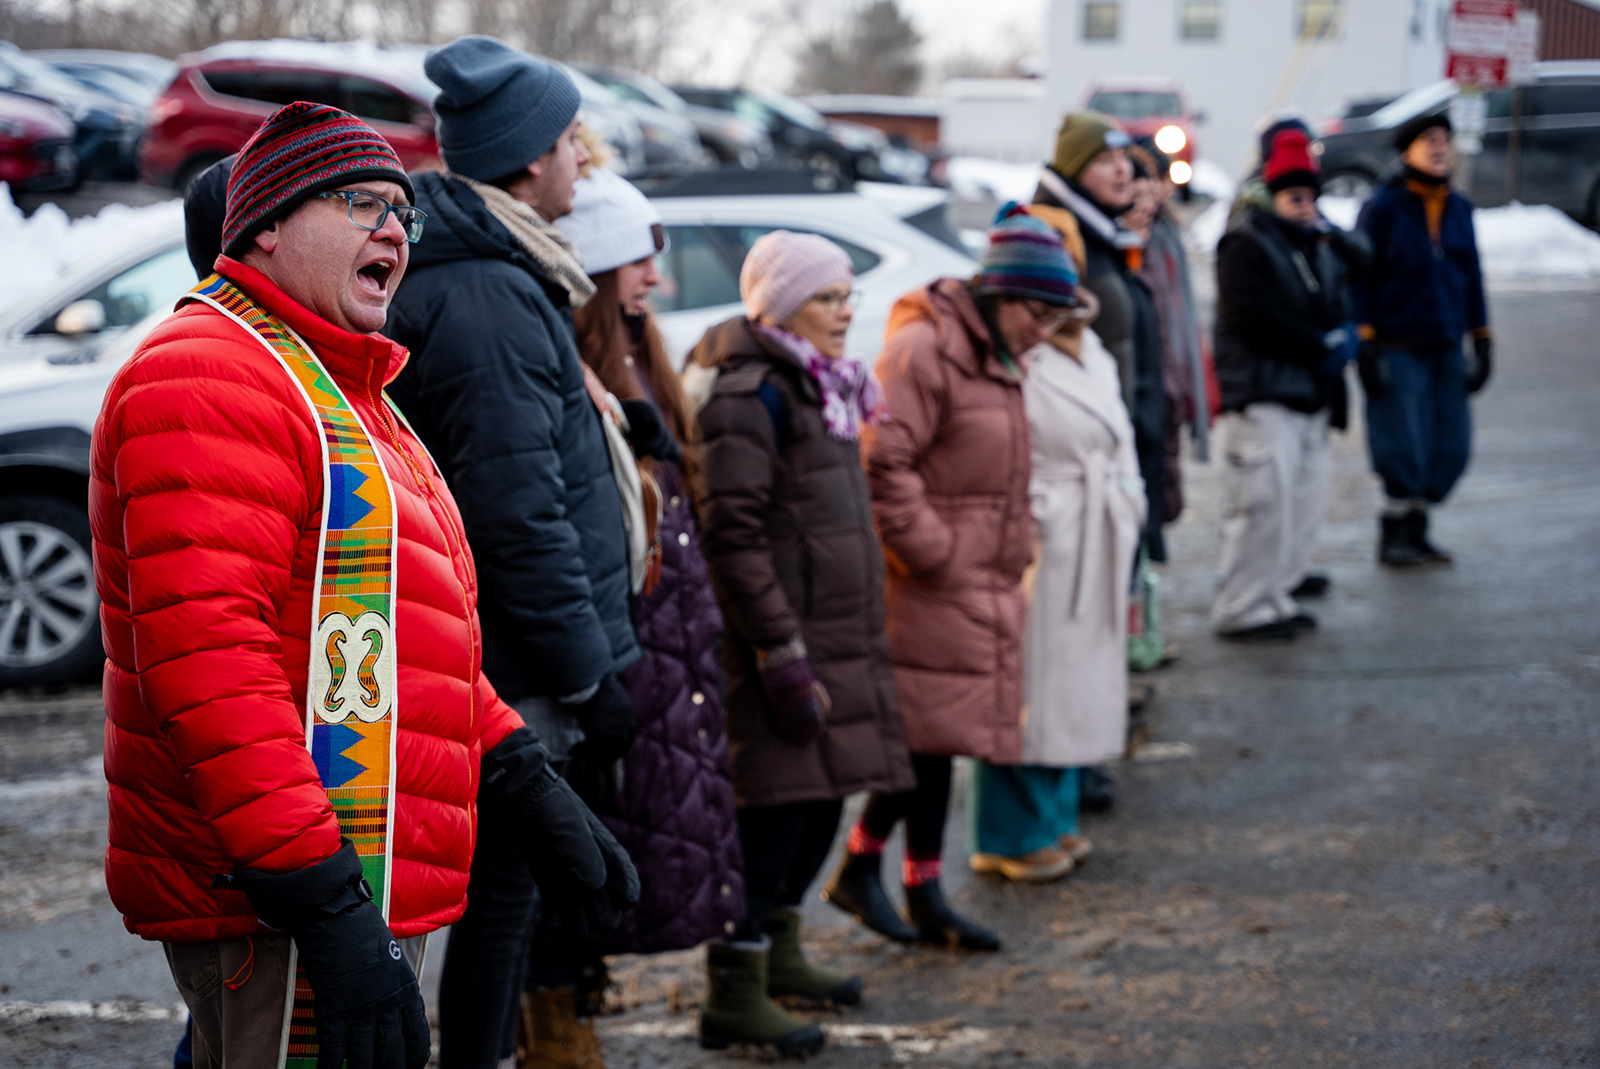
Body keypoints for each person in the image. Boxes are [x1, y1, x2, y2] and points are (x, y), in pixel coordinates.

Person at [93, 100, 629, 1069]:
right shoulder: (210, 374)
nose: (394, 228)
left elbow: (402, 640)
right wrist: (325, 899)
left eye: (402, 212)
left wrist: (520, 777)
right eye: (360, 202)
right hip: (280, 889)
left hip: (357, 864)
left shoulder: (347, 388)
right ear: (263, 224)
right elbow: (211, 670)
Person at [381, 36, 644, 1069]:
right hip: (519, 666)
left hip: (518, 656)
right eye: (572, 140)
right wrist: (588, 673)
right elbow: (517, 511)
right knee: (503, 899)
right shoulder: (488, 294)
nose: (584, 159)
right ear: (530, 158)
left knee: (508, 895)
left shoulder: (502, 269)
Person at [505, 166, 744, 1065]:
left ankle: (571, 1003)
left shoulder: (645, 360)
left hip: (658, 641)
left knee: (618, 842)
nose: (657, 277)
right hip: (602, 646)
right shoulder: (578, 370)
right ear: (601, 264)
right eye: (642, 256)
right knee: (573, 847)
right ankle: (549, 1017)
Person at [689, 229, 916, 1056]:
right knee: (775, 816)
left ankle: (781, 951)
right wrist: (779, 649)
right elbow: (733, 533)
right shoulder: (752, 393)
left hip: (838, 638)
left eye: (849, 295)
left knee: (823, 799)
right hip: (780, 648)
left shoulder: (825, 385)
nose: (846, 312)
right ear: (783, 305)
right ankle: (733, 986)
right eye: (827, 297)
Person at [831, 205, 1075, 915]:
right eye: (1038, 311)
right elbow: (884, 460)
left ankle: (911, 881)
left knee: (939, 739)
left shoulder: (999, 354)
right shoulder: (925, 348)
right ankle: (885, 875)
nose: (1045, 330)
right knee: (925, 735)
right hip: (929, 579)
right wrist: (932, 549)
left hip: (975, 576)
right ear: (1000, 294)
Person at [976, 210, 1144, 876]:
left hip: (1096, 524)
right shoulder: (1014, 350)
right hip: (1046, 534)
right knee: (1030, 687)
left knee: (1077, 683)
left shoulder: (1090, 344)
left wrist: (1126, 497)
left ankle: (1058, 813)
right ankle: (1010, 833)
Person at [1210, 128, 1359, 641]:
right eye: (1295, 197)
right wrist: (1319, 345)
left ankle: (1274, 595)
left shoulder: (1314, 244)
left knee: (1298, 504)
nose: (1305, 206)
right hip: (1263, 395)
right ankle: (1243, 607)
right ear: (1273, 196)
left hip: (1306, 394)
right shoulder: (1245, 243)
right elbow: (1257, 318)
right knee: (1261, 508)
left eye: (1311, 197)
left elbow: (1358, 271)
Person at [1354, 112, 1490, 566]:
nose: (1439, 147)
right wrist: (1366, 340)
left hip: (1446, 344)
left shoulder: (1459, 208)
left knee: (1450, 445)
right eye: (1428, 140)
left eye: (1444, 140)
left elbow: (1471, 275)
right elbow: (1360, 278)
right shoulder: (1383, 207)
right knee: (1402, 444)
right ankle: (1396, 532)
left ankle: (1421, 527)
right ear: (1406, 150)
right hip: (1398, 344)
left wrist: (1482, 340)